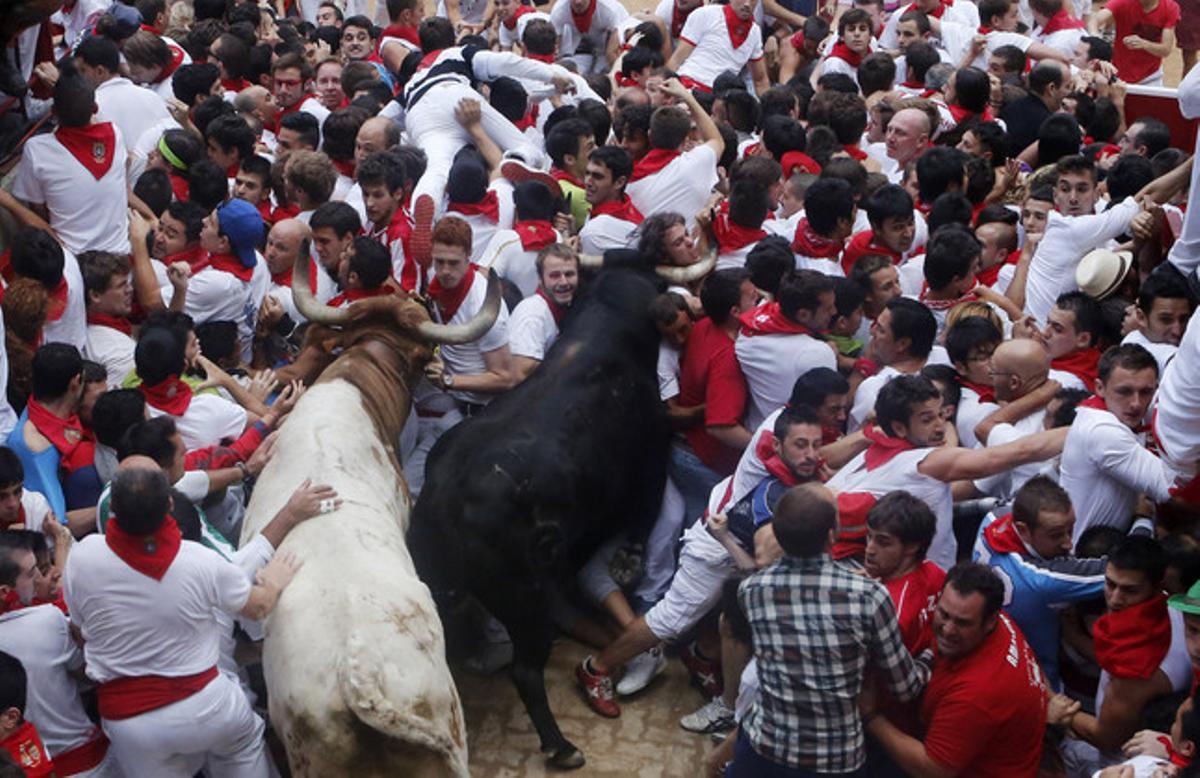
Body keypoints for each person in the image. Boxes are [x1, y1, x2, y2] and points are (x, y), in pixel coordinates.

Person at [577, 407, 827, 719]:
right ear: (777, 446)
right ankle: (596, 669)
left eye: (817, 445)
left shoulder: (793, 470)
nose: (811, 454)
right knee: (671, 619)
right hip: (714, 552)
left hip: (729, 543)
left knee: (722, 615)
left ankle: (700, 658)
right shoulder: (773, 492)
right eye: (800, 445)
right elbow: (760, 562)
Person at [63, 460, 299, 776]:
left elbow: (79, 631)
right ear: (170, 504)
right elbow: (258, 607)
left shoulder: (82, 557)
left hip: (131, 724)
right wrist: (275, 579)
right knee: (242, 746)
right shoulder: (201, 561)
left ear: (112, 511)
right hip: (207, 705)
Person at [727, 483, 931, 776]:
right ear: (832, 536)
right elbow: (904, 686)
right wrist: (928, 657)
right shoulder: (869, 596)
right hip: (836, 760)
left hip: (766, 746)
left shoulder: (751, 590)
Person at [829, 375, 1068, 568]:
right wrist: (1084, 425)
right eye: (927, 419)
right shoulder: (926, 463)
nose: (939, 426)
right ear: (899, 427)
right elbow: (1020, 452)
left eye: (940, 415)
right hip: (922, 584)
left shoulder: (869, 452)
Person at [864, 563, 1049, 778]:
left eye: (962, 623)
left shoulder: (977, 694)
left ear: (990, 621)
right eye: (944, 614)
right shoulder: (999, 623)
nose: (948, 629)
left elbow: (933, 769)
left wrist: (871, 717)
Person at [1055, 535, 1193, 774]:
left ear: (1157, 585)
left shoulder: (1134, 670)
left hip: (1119, 765)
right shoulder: (1176, 614)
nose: (1116, 599)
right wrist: (1078, 640)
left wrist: (1052, 705)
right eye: (1110, 584)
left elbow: (1105, 738)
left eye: (1130, 590)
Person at [973, 476, 1110, 691]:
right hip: (1038, 684)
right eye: (1056, 535)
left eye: (1071, 528)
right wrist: (1143, 520)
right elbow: (1120, 570)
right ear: (1024, 530)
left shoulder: (994, 518)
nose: (1068, 542)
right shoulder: (1041, 580)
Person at [1061, 344, 1176, 543]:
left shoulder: (1111, 410)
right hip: (1086, 560)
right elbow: (1169, 489)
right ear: (1099, 388)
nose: (1136, 403)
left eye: (1146, 392)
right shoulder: (1102, 431)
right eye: (1125, 391)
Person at [12, 69, 130, 256]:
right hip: (122, 253)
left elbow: (38, 211)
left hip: (74, 260)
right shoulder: (115, 133)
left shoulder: (37, 150)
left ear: (53, 112)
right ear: (95, 108)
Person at [1011, 155, 1141, 324]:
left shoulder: (1094, 232)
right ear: (1055, 195)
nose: (1073, 198)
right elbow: (1144, 198)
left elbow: (1103, 256)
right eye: (1065, 189)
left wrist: (1139, 243)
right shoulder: (1066, 229)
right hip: (1040, 337)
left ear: (1096, 194)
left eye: (1081, 189)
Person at [422, 217, 514, 414]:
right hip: (446, 395)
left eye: (454, 263)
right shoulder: (433, 277)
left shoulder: (483, 307)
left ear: (469, 255)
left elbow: (505, 378)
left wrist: (449, 381)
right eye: (439, 261)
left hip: (477, 410)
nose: (445, 271)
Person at [735, 270, 838, 430]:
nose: (834, 312)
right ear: (803, 315)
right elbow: (835, 410)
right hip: (798, 440)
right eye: (828, 308)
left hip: (760, 430)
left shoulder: (747, 331)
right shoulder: (815, 353)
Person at [626, 78, 725, 230]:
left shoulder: (627, 185)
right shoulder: (696, 162)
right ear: (686, 139)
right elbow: (716, 139)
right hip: (690, 250)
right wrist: (686, 96)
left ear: (650, 135)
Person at [509, 244, 580, 382]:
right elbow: (520, 374)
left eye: (569, 274)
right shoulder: (532, 314)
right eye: (555, 276)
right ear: (540, 280)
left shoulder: (568, 305)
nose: (564, 282)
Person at [1121, 270, 1194, 373]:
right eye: (1166, 320)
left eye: (1184, 319)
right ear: (1141, 317)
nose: (1177, 331)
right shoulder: (1135, 350)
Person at [579, 145, 644, 254]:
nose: (588, 182)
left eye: (597, 176)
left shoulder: (595, 232)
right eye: (587, 173)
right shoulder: (627, 208)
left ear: (619, 182)